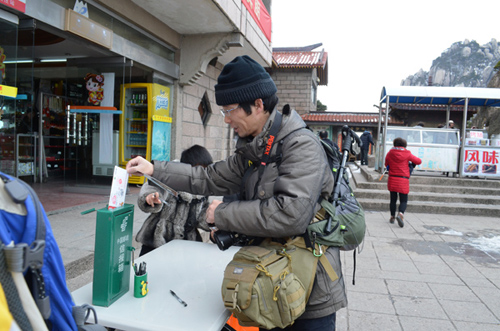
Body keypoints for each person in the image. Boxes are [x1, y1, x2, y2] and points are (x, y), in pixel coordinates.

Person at [126, 55, 347, 330]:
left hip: (308, 287)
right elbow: (205, 177)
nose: (227, 119)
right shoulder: (253, 149)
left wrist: (223, 213)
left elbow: (291, 215)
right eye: (222, 111)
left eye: (229, 110)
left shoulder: (301, 146)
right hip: (270, 280)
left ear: (258, 104)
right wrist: (154, 169)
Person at [135, 144, 213, 256]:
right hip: (157, 239)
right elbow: (153, 186)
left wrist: (213, 220)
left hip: (186, 242)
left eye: (204, 170)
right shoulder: (172, 178)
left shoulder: (202, 191)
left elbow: (201, 216)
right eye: (198, 170)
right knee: (149, 268)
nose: (200, 175)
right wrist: (150, 197)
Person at [384, 137, 422, 228]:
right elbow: (418, 161)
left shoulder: (390, 153)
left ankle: (392, 217)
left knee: (393, 199)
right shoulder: (407, 153)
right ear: (404, 144)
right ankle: (400, 213)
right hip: (403, 179)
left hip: (392, 179)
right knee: (403, 200)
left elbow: (386, 164)